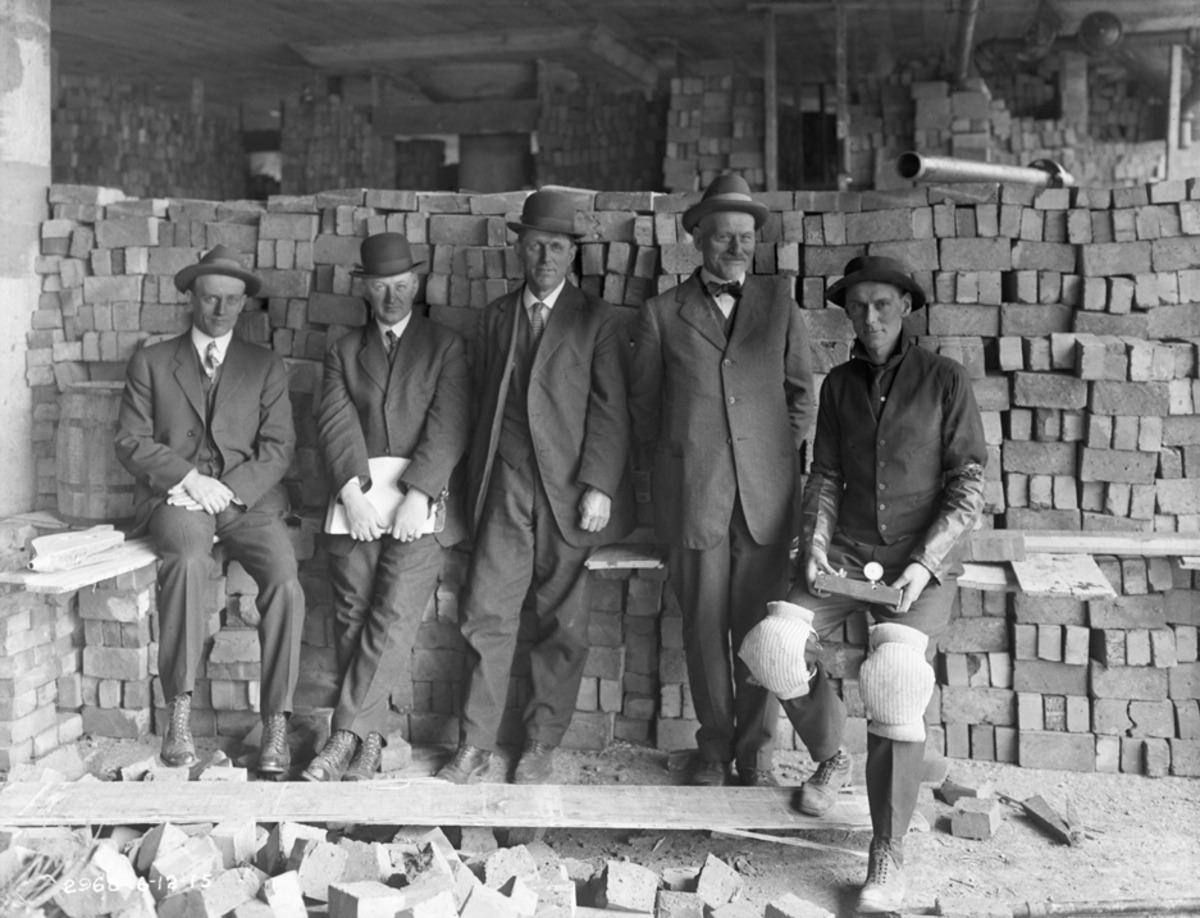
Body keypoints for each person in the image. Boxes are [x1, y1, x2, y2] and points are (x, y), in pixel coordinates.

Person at [746, 255, 987, 913]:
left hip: (919, 560)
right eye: (857, 307)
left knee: (897, 679)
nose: (869, 318)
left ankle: (887, 847)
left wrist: (924, 563)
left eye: (882, 305)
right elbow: (824, 476)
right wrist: (816, 550)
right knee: (772, 646)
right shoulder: (839, 386)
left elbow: (968, 485)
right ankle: (832, 756)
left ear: (906, 307)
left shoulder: (945, 381)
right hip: (849, 555)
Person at [437, 190, 634, 785]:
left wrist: (600, 485)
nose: (544, 256)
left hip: (570, 492)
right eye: (534, 245)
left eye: (556, 246)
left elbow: (612, 409)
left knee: (560, 621)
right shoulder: (496, 318)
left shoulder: (596, 320)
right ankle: (473, 744)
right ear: (518, 249)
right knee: (485, 613)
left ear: (573, 254)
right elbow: (470, 407)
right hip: (505, 484)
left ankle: (540, 744)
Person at [628, 173, 815, 788]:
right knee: (705, 630)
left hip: (767, 500)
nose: (736, 248)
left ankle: (757, 753)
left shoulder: (779, 306)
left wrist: (775, 459)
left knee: (764, 631)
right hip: (696, 499)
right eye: (723, 237)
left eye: (745, 237)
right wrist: (675, 479)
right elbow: (646, 412)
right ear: (699, 242)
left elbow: (800, 397)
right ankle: (713, 750)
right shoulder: (662, 314)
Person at [114, 245, 304, 776]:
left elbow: (279, 447)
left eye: (232, 301)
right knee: (188, 563)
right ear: (192, 298)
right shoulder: (152, 362)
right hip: (179, 498)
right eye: (211, 298)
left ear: (245, 303)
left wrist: (230, 489)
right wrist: (190, 479)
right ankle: (179, 714)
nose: (221, 311)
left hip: (245, 501)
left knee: (285, 578)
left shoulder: (264, 365)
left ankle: (277, 724)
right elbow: (129, 440)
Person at [306, 233, 470, 782]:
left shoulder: (444, 345)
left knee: (394, 610)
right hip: (356, 506)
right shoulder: (343, 350)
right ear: (366, 290)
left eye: (401, 286)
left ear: (416, 285)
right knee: (353, 613)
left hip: (419, 508)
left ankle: (343, 736)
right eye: (381, 287)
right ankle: (372, 740)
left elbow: (449, 424)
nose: (392, 297)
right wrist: (352, 495)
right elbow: (333, 421)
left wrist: (419, 495)